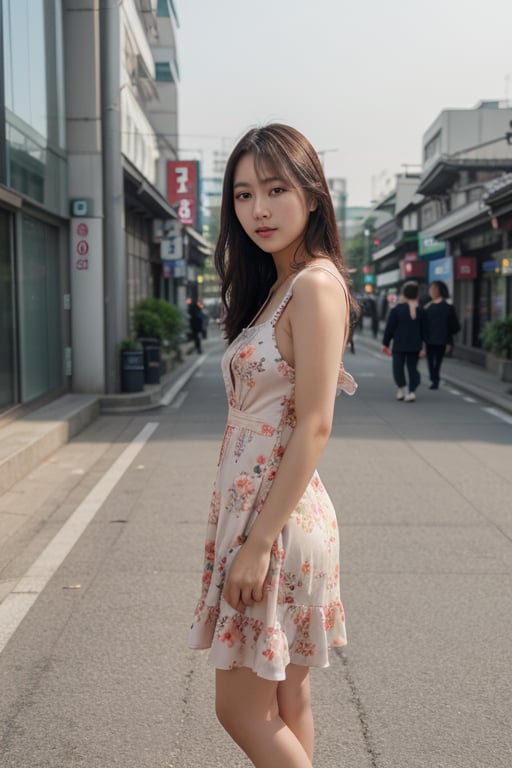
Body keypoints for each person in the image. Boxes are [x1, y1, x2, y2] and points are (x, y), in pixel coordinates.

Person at [188, 123, 358, 768]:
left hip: (276, 520)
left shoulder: (314, 285)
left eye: (276, 189)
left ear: (312, 195)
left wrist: (258, 543)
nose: (257, 209)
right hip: (265, 511)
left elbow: (315, 422)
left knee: (239, 709)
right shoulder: (277, 288)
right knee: (288, 703)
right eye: (242, 194)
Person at [382, 280, 427, 402]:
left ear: (404, 293)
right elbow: (425, 331)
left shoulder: (396, 310)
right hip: (415, 345)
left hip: (399, 345)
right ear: (417, 294)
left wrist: (385, 343)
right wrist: (424, 347)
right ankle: (411, 391)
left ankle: (401, 389)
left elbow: (389, 329)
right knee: (413, 368)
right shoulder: (421, 311)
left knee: (397, 368)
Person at [424, 280, 461, 389]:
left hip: (439, 340)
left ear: (439, 291)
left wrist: (449, 341)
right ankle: (434, 379)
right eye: (430, 289)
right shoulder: (429, 307)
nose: (430, 291)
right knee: (433, 361)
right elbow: (455, 327)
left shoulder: (445, 308)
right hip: (435, 339)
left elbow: (453, 326)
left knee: (434, 361)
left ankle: (434, 379)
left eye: (433, 289)